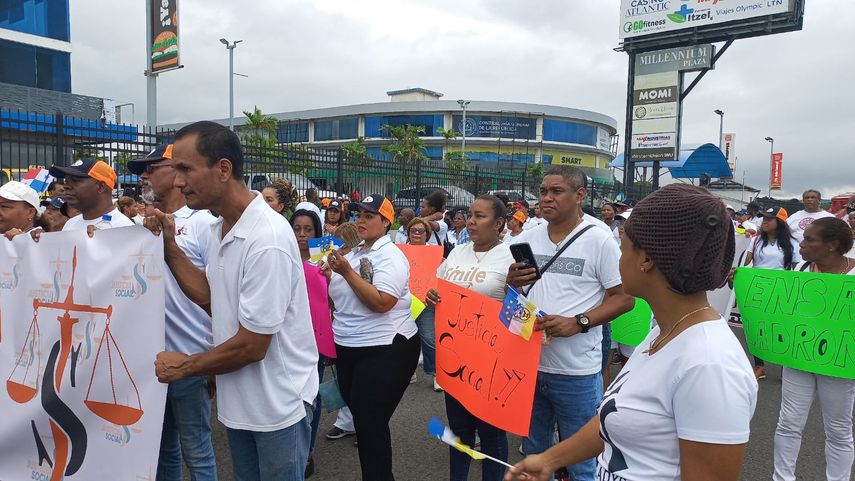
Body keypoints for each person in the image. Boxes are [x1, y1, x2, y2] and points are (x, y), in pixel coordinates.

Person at [507, 183, 759, 481]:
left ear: (646, 260)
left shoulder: (710, 365)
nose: (617, 260)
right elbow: (617, 417)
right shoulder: (664, 333)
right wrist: (550, 459)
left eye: (624, 248)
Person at [147, 121, 318, 481]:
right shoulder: (218, 228)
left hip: (277, 406)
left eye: (185, 169)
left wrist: (186, 367)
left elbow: (253, 345)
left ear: (223, 169)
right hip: (240, 403)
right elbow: (212, 298)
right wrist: (169, 247)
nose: (177, 181)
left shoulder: (266, 237)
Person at [505, 166, 634, 481]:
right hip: (530, 363)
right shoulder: (530, 236)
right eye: (544, 191)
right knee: (534, 455)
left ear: (579, 195)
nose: (546, 198)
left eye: (556, 191)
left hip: (575, 372)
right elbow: (518, 294)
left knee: (581, 463)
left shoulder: (599, 240)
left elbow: (624, 297)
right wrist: (511, 282)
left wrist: (580, 322)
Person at [127, 144, 219, 481]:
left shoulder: (203, 224)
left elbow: (217, 297)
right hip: (148, 364)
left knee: (197, 450)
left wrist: (214, 360)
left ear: (178, 171)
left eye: (152, 168)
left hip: (191, 360)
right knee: (160, 449)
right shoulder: (137, 223)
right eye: (142, 171)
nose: (144, 176)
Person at [323, 194, 420, 481]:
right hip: (349, 346)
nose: (360, 221)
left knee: (370, 424)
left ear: (386, 222)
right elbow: (337, 302)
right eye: (358, 214)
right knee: (364, 421)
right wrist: (330, 277)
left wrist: (347, 273)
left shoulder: (391, 256)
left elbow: (381, 303)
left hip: (385, 349)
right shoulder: (353, 253)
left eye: (369, 216)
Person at [426, 194, 514, 481]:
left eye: (480, 216)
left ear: (499, 223)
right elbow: (434, 289)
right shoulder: (457, 253)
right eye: (470, 214)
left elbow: (523, 312)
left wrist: (516, 291)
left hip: (491, 360)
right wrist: (432, 295)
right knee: (460, 432)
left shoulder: (510, 257)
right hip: (455, 356)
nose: (471, 221)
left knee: (491, 435)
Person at [770, 217, 855, 481]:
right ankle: (782, 478)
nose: (802, 244)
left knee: (839, 429)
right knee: (788, 424)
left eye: (809, 239)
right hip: (798, 359)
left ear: (832, 245)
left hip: (838, 364)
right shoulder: (800, 271)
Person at [742, 207, 801, 381]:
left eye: (769, 218)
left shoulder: (792, 243)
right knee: (756, 328)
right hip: (758, 290)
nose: (764, 222)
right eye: (763, 218)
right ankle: (759, 366)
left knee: (781, 329)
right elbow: (746, 263)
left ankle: (786, 365)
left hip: (780, 291)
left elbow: (796, 268)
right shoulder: (756, 240)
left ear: (780, 222)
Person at [289, 208, 326, 479]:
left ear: (317, 233)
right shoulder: (282, 253)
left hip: (318, 338)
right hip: (287, 337)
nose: (301, 235)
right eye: (297, 229)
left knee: (312, 394)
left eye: (308, 230)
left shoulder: (326, 255)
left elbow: (339, 296)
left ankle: (307, 450)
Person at [48, 158, 134, 231]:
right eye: (66, 181)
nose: (66, 186)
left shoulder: (124, 228)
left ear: (101, 187)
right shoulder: (70, 224)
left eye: (75, 181)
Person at [404, 217, 440, 389]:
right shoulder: (400, 252)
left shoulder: (434, 252)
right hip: (405, 300)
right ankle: (409, 370)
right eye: (413, 231)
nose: (417, 234)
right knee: (406, 338)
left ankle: (435, 373)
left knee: (428, 337)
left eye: (421, 231)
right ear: (408, 233)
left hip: (426, 301)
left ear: (427, 234)